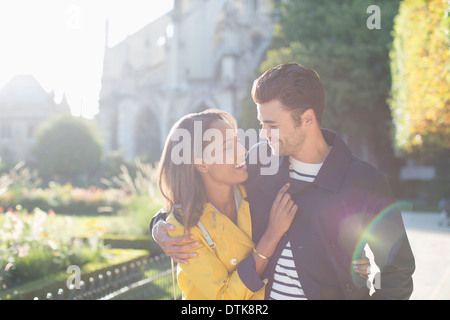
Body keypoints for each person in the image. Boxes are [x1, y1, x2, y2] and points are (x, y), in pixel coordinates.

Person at [152, 63, 400, 300]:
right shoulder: (259, 163)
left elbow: (397, 271)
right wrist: (160, 227)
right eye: (261, 124)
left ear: (307, 119)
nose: (262, 134)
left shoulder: (364, 181)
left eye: (272, 125)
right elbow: (198, 188)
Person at [155, 109, 298, 299]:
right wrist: (272, 235)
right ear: (201, 164)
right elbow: (225, 297)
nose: (243, 151)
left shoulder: (255, 190)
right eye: (227, 147)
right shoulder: (183, 227)